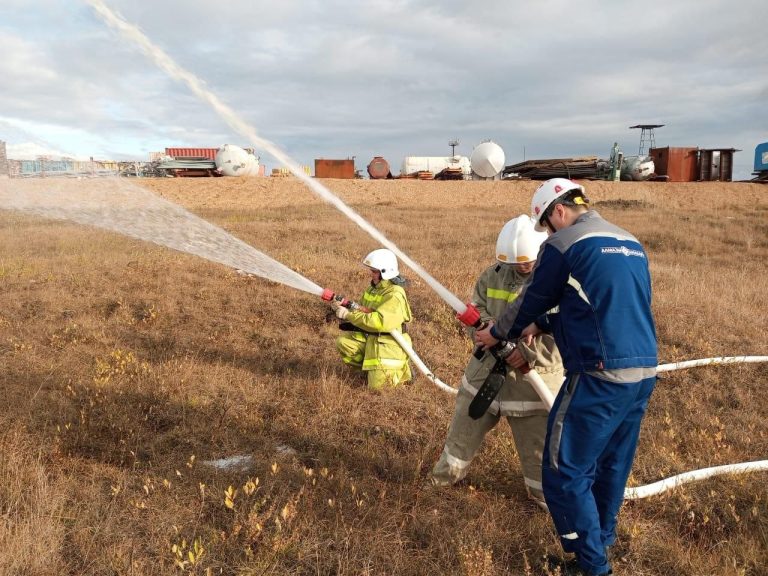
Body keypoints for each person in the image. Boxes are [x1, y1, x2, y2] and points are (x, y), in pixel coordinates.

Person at [475, 178, 658, 576]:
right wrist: (542, 324)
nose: (546, 233)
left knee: (564, 470)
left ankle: (591, 566)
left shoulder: (565, 243)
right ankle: (602, 541)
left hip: (598, 374)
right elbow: (602, 305)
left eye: (545, 224)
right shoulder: (628, 241)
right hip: (642, 370)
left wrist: (499, 332)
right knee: (612, 462)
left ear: (558, 211)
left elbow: (533, 297)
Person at [431, 216, 564, 508]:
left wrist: (523, 354)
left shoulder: (558, 283)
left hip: (532, 387)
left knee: (540, 456)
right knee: (460, 439)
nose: (520, 268)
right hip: (484, 375)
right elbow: (475, 310)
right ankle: (441, 484)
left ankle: (548, 503)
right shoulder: (492, 275)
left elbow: (562, 333)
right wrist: (485, 332)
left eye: (526, 263)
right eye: (514, 263)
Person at [331, 248, 413, 390]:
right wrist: (342, 306)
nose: (372, 274)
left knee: (377, 389)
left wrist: (348, 315)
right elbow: (362, 310)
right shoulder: (373, 289)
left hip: (388, 344)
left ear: (385, 272)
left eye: (375, 271)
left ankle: (402, 373)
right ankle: (368, 371)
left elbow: (379, 321)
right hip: (372, 338)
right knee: (344, 343)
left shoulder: (395, 294)